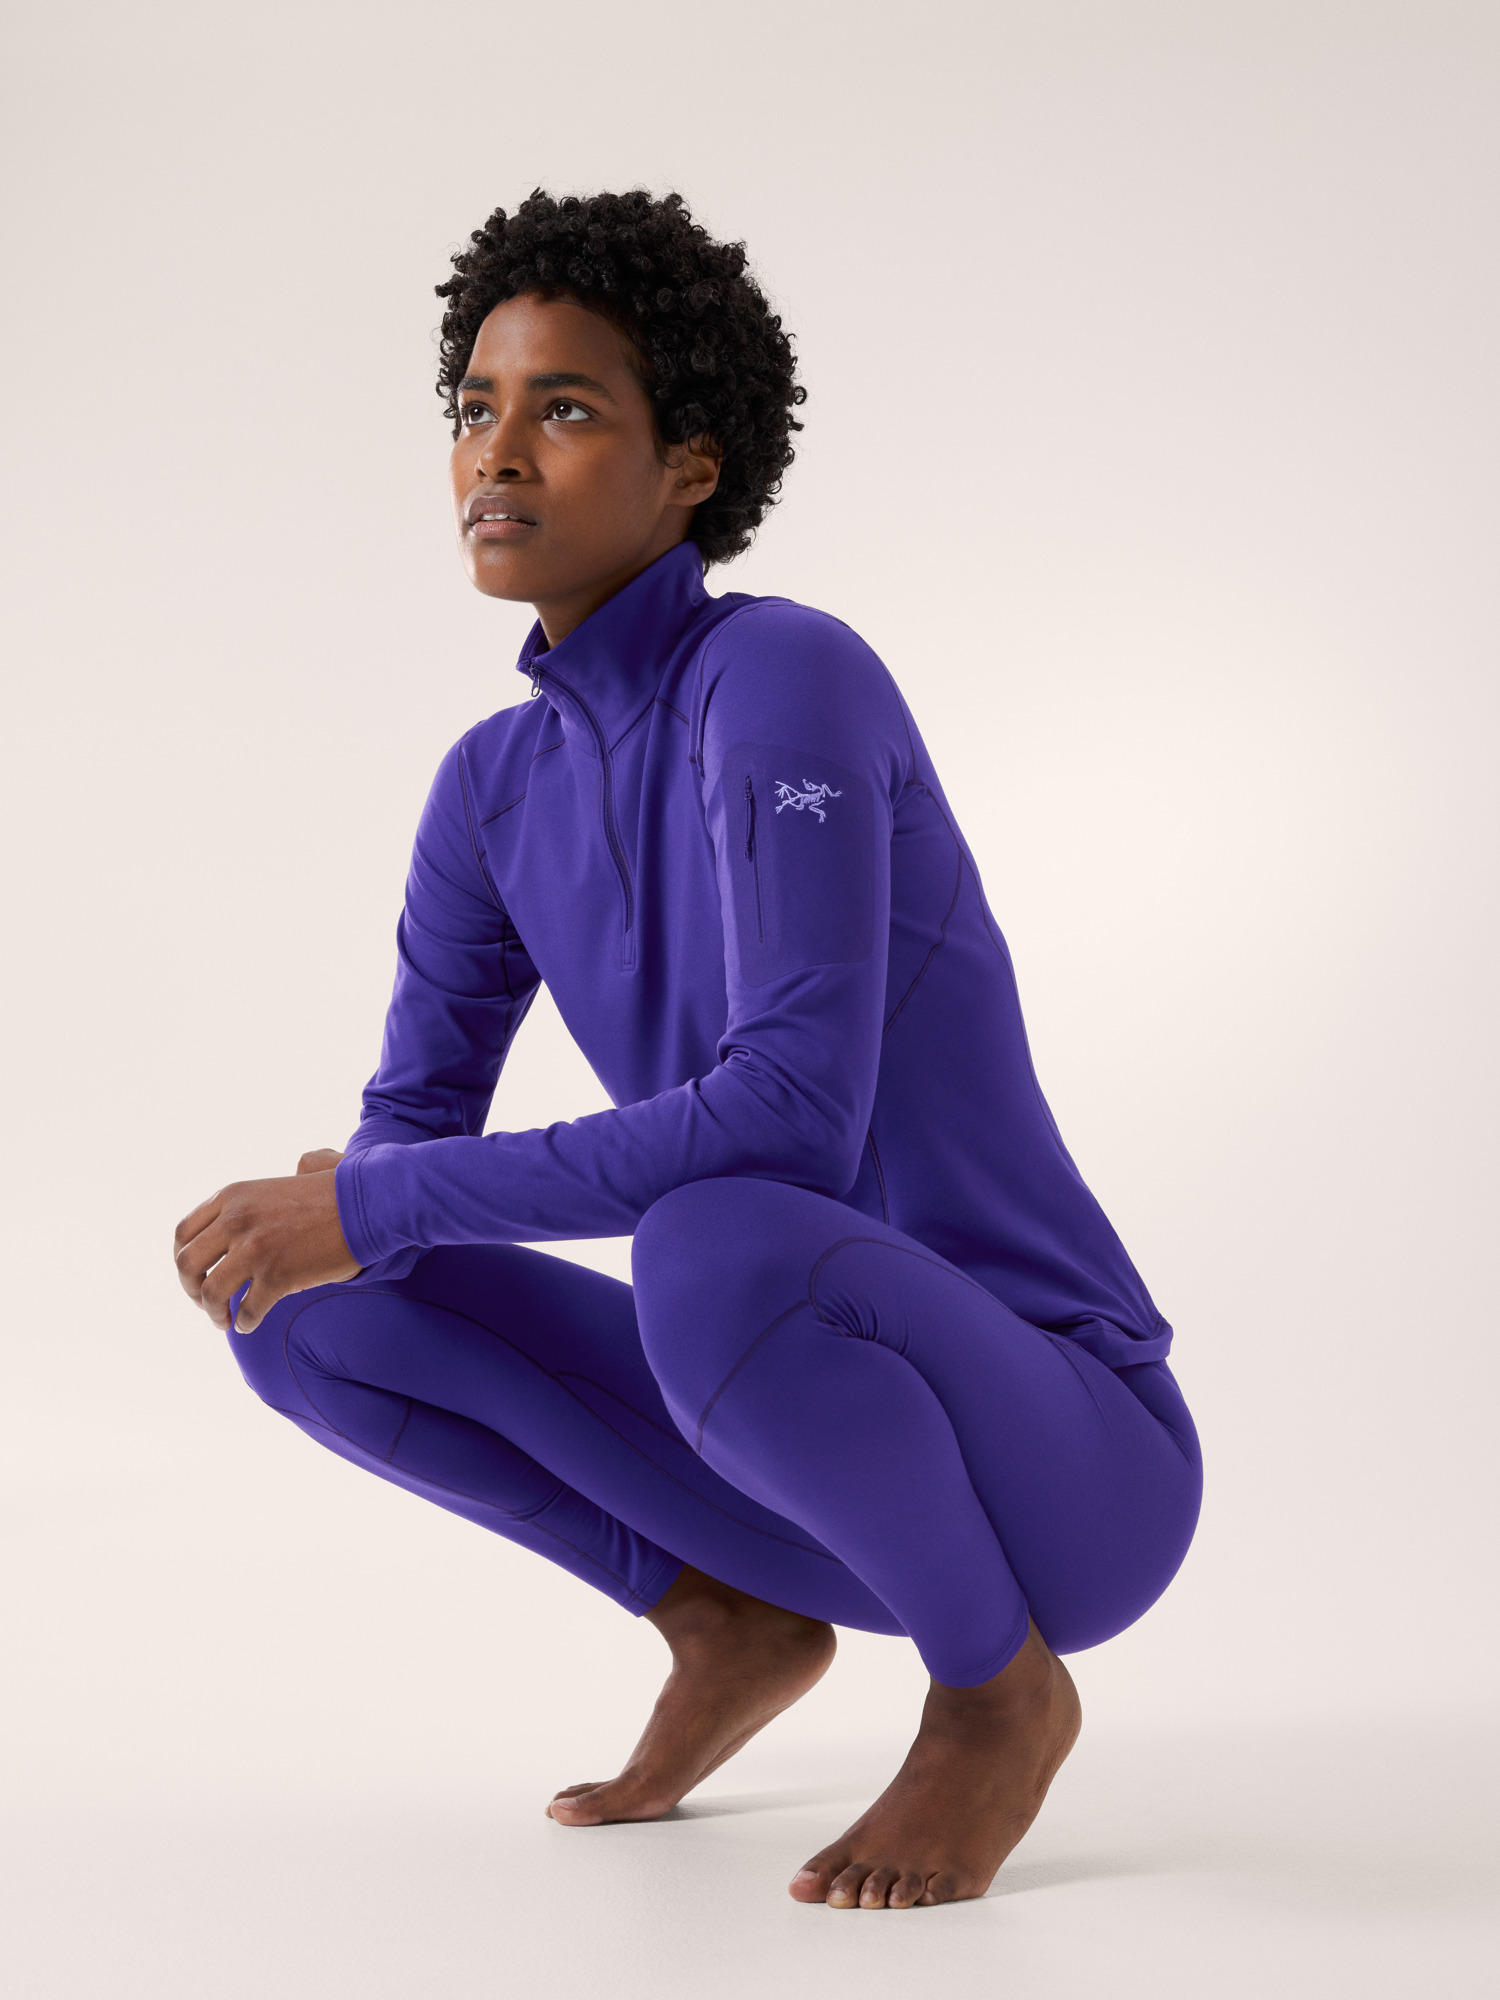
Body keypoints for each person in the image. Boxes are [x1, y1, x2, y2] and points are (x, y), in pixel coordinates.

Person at [173, 189, 1202, 1911]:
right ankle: (719, 1614)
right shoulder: (489, 789)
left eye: (567, 408)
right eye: (475, 409)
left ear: (692, 469)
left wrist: (382, 1195)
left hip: (1064, 1462)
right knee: (308, 1305)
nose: (499, 452)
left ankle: (998, 1697)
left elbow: (793, 1118)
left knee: (717, 1233)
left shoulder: (782, 675)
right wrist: (358, 1203)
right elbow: (408, 1137)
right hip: (775, 1463)